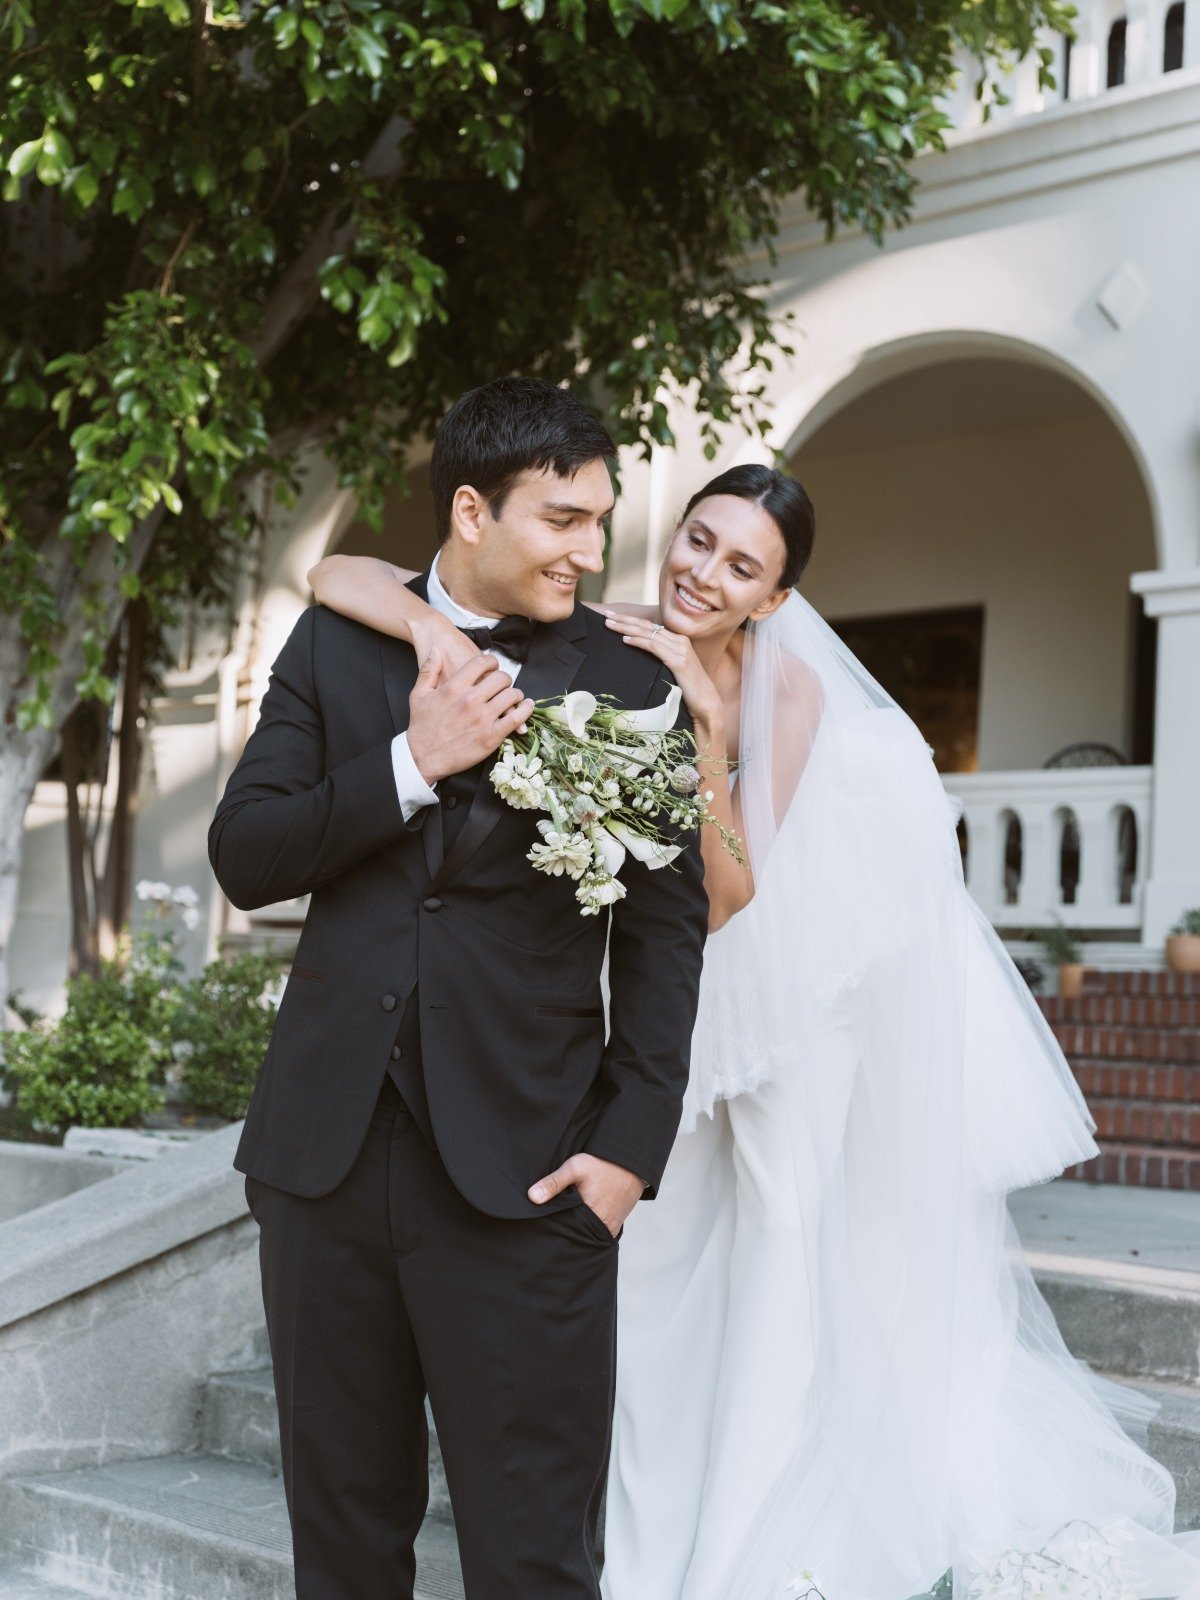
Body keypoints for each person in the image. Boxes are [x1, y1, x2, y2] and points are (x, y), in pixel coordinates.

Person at [308, 461, 1200, 1600]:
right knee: (657, 1265)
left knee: (775, 1230)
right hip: (643, 998)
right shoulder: (599, 632)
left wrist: (709, 722)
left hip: (773, 988)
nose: (706, 574)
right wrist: (430, 627)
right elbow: (335, 568)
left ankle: (740, 1534)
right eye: (697, 540)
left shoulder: (784, 693)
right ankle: (626, 1518)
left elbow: (730, 893)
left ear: (773, 600)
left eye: (742, 566)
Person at [208, 376, 709, 1600]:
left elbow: (667, 931)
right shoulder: (337, 641)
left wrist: (629, 1150)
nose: (591, 550)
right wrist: (410, 764)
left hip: (528, 1175)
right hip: (321, 1166)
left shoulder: (632, 683)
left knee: (534, 1553)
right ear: (473, 511)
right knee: (342, 1547)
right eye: (564, 520)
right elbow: (247, 854)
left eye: (601, 518)